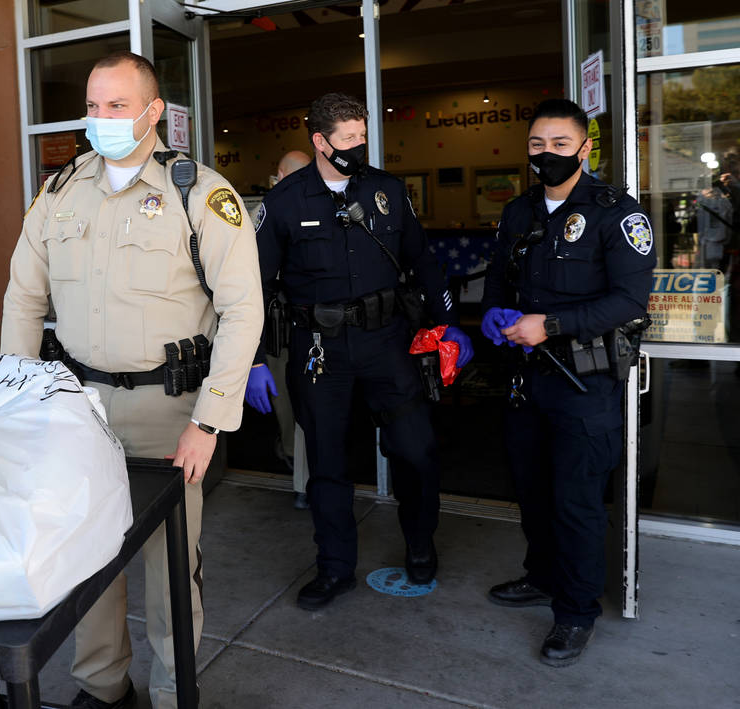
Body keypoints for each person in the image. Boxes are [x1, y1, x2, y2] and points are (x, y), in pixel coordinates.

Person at [1, 51, 262, 709]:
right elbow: (22, 297)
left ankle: (175, 689)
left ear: (153, 112)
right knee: (91, 559)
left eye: (118, 106)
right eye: (93, 106)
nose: (102, 118)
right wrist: (22, 401)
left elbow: (243, 310)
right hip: (78, 407)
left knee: (172, 565)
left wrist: (209, 420)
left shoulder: (198, 192)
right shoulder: (60, 190)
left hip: (168, 410)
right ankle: (102, 684)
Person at [249, 92, 474, 610]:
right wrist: (254, 359)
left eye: (362, 136)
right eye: (348, 138)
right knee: (327, 464)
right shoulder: (284, 203)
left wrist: (447, 324)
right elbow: (253, 287)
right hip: (319, 351)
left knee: (416, 451)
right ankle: (334, 569)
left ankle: (420, 547)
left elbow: (424, 260)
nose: (358, 146)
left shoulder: (387, 192)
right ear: (319, 141)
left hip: (386, 343)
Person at [481, 98, 655, 666]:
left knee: (576, 502)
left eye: (559, 144)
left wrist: (550, 325)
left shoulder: (616, 214)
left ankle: (576, 613)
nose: (547, 155)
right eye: (537, 145)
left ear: (584, 148)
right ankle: (542, 576)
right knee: (531, 492)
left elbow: (629, 301)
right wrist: (496, 313)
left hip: (585, 384)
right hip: (525, 382)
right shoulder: (518, 212)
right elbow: (501, 280)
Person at [248, 149, 313, 509]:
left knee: (286, 396)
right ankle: (308, 476)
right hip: (320, 325)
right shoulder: (325, 205)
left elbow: (255, 273)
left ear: (279, 173)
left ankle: (293, 459)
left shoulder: (271, 208)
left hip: (278, 322)